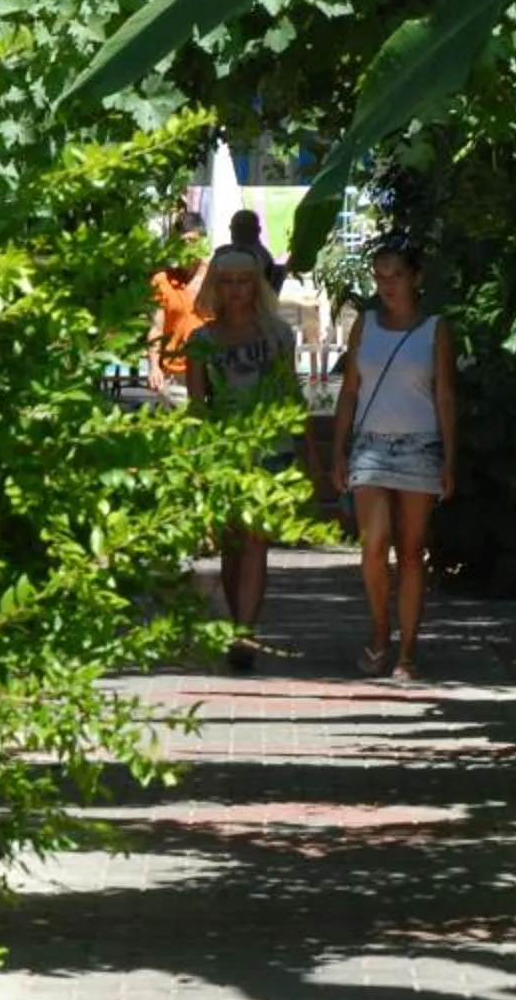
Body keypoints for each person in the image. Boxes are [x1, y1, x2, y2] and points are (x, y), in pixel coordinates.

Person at [328, 237, 454, 680]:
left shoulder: (435, 329)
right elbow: (350, 391)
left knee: (412, 550)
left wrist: (450, 459)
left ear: (416, 278)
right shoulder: (365, 325)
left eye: (396, 276)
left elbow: (445, 396)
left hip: (421, 445)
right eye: (380, 277)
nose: (387, 286)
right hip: (371, 446)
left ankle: (407, 651)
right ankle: (380, 630)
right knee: (374, 545)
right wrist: (338, 450)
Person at [184, 245, 301, 671]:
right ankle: (239, 625)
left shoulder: (278, 337)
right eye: (227, 282)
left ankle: (245, 633)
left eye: (244, 282)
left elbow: (292, 394)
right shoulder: (200, 342)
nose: (235, 290)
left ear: (256, 287)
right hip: (223, 453)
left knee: (255, 541)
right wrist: (195, 462)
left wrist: (307, 452)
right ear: (215, 287)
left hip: (271, 449)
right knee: (232, 546)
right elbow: (197, 407)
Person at [146, 209, 206, 403]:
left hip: (212, 374)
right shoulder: (162, 281)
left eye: (193, 241)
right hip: (175, 377)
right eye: (182, 243)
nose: (187, 248)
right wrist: (154, 366)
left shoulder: (218, 279)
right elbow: (156, 328)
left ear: (203, 242)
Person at [221, 207, 284, 291]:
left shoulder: (256, 256)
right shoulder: (230, 252)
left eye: (242, 228)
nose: (237, 232)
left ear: (257, 231)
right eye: (235, 228)